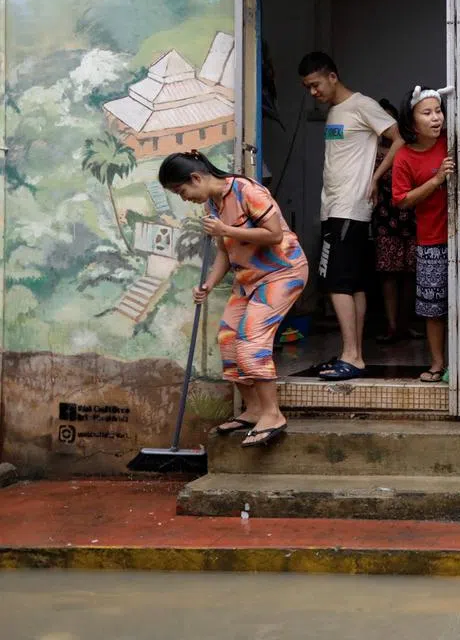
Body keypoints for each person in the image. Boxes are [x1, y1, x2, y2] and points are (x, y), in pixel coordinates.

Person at [158, 150, 308, 448]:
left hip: (282, 273)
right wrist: (209, 284)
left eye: (181, 190)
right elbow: (226, 251)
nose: (183, 197)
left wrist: (225, 229)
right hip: (248, 279)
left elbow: (275, 234)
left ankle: (272, 414)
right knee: (228, 339)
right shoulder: (212, 205)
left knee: (252, 340)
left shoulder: (247, 190)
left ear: (196, 178)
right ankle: (253, 410)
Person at [297, 52, 399, 381]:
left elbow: (399, 139)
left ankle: (352, 356)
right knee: (353, 283)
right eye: (307, 88)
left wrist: (376, 177)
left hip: (349, 208)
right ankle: (352, 354)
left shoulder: (361, 105)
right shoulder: (336, 113)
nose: (313, 93)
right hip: (336, 207)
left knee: (337, 282)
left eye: (315, 85)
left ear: (332, 76)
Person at [392, 85, 454, 383]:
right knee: (433, 308)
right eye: (427, 113)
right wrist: (436, 180)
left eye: (438, 111)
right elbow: (402, 200)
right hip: (431, 239)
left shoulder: (452, 142)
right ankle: (437, 364)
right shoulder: (404, 157)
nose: (435, 118)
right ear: (411, 119)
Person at [373, 97, 420, 344]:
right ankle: (392, 327)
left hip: (411, 218)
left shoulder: (411, 150)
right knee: (389, 276)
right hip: (385, 219)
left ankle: (407, 324)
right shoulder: (371, 153)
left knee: (411, 275)